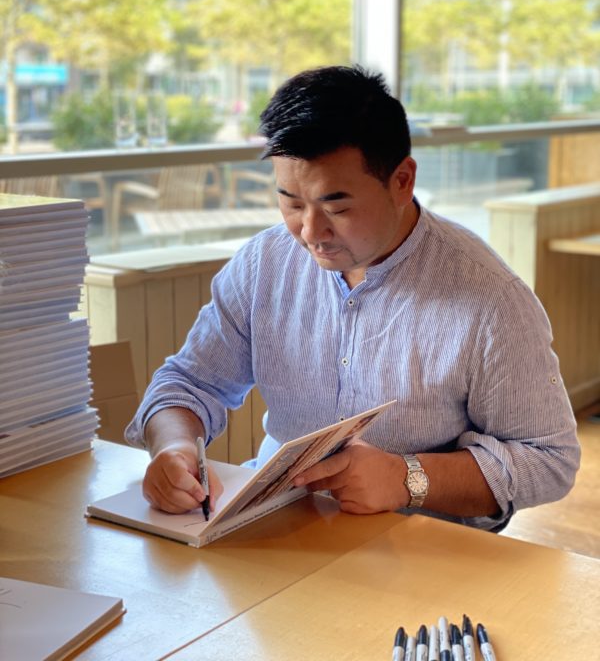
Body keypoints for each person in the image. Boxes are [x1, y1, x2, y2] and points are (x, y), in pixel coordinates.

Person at [125, 65, 580, 532]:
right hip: (275, 525)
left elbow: (548, 459)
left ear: (402, 180)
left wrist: (408, 478)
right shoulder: (263, 263)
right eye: (291, 203)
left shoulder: (490, 299)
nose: (310, 233)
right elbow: (189, 383)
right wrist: (173, 447)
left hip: (418, 550)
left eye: (337, 208)